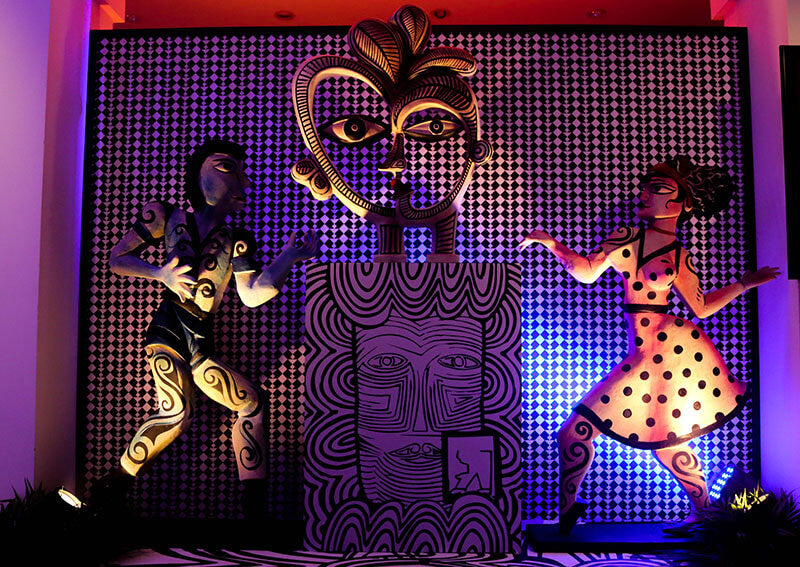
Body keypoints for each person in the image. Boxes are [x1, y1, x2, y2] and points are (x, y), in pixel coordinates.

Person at [519, 156, 779, 535]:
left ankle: (703, 514)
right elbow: (587, 272)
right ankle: (571, 512)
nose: (644, 194)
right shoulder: (627, 238)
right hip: (643, 355)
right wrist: (553, 245)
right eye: (645, 187)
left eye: (657, 189)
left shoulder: (678, 256)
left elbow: (701, 307)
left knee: (660, 438)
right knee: (592, 434)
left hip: (672, 352)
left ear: (682, 204)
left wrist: (744, 284)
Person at [98, 138, 320, 517]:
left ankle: (253, 511)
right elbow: (117, 258)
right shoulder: (165, 216)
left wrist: (289, 257)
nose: (242, 182)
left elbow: (252, 294)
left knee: (251, 403)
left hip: (200, 340)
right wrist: (159, 274)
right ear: (199, 175)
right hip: (168, 331)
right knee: (176, 413)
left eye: (241, 172)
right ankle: (111, 489)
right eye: (227, 168)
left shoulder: (237, 240)